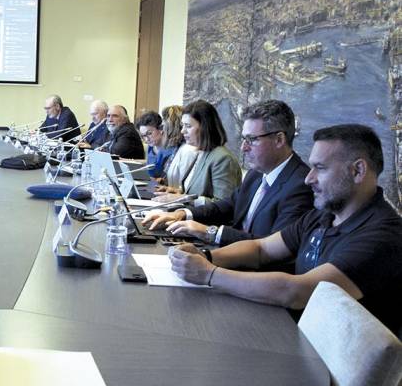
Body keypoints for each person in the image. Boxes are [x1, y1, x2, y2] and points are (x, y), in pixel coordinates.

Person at [168, 124, 402, 333]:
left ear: (358, 171)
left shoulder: (383, 236)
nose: (309, 178)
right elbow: (261, 248)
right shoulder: (322, 216)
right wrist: (207, 256)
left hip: (329, 366)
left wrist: (210, 274)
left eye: (320, 168)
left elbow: (297, 292)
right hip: (294, 334)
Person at [144, 100, 313, 246]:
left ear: (279, 140)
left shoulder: (301, 186)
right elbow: (227, 205)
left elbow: (271, 248)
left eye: (252, 140)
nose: (243, 148)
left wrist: (211, 232)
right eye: (243, 139)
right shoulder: (256, 174)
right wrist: (182, 214)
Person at [154, 100, 241, 203]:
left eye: (188, 126)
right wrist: (175, 192)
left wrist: (182, 198)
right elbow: (197, 191)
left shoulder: (223, 159)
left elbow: (224, 204)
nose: (182, 131)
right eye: (183, 126)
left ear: (205, 127)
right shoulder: (201, 152)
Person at [136, 111, 176, 178]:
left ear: (161, 129)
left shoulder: (170, 149)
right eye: (143, 136)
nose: (146, 139)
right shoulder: (151, 146)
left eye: (149, 133)